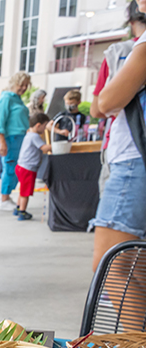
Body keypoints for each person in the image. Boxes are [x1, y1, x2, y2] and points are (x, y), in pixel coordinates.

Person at [89, 0, 146, 275]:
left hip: (134, 159)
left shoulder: (140, 47)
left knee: (111, 267)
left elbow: (103, 103)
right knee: (134, 269)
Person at [91, 1, 146, 194]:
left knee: (110, 222)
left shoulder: (119, 52)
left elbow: (99, 107)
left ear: (130, 21)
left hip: (129, 147)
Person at [0, 71, 32, 212]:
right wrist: (1, 141)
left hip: (20, 137)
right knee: (9, 168)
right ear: (14, 84)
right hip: (11, 138)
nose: (23, 88)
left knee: (16, 170)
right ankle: (4, 199)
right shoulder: (6, 98)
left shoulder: (18, 99)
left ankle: (6, 196)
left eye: (26, 85)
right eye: (21, 85)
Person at [14, 113, 53, 220]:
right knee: (25, 192)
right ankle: (22, 212)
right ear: (38, 125)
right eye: (44, 126)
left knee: (22, 189)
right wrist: (55, 145)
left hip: (21, 166)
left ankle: (18, 208)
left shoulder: (29, 134)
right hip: (28, 168)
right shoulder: (35, 136)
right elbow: (44, 148)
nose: (45, 128)